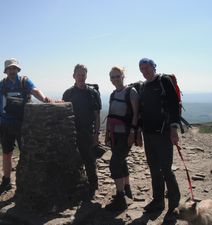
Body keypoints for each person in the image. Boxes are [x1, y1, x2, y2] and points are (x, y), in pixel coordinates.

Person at [0, 58, 51, 194]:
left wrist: (45, 99)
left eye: (14, 68)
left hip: (23, 124)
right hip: (6, 124)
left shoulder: (25, 82)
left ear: (18, 69)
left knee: (25, 153)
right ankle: (6, 181)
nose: (12, 70)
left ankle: (27, 181)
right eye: (9, 68)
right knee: (7, 153)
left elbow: (35, 91)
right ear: (6, 70)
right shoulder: (0, 85)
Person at [138, 58, 181, 225]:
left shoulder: (164, 81)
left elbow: (173, 105)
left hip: (164, 134)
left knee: (166, 170)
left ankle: (174, 206)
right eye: (142, 68)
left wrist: (174, 130)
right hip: (149, 134)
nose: (145, 71)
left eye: (147, 67)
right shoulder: (144, 86)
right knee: (154, 169)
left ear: (154, 67)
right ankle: (158, 201)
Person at [62, 64, 101, 197]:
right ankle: (76, 183)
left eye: (83, 74)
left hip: (87, 132)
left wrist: (96, 134)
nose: (81, 77)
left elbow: (97, 115)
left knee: (89, 160)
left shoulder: (92, 93)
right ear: (74, 76)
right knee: (72, 159)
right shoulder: (68, 93)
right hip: (71, 132)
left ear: (86, 76)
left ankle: (93, 186)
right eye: (79, 74)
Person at [104, 66, 139, 212]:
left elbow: (136, 114)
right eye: (112, 77)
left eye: (117, 76)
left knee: (114, 163)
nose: (115, 79)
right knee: (121, 160)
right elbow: (110, 114)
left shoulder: (131, 92)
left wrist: (133, 133)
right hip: (114, 134)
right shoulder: (113, 94)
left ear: (123, 76)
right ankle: (127, 188)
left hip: (125, 134)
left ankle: (120, 197)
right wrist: (106, 133)